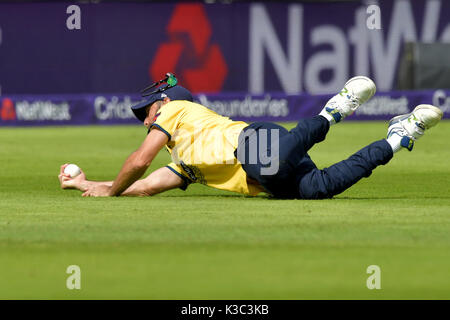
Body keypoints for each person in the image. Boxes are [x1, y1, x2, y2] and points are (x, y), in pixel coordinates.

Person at [58, 76, 443, 199]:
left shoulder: (176, 110)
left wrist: (107, 192)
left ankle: (335, 109)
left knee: (276, 159)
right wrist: (85, 184)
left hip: (256, 146)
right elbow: (141, 185)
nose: (144, 122)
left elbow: (140, 162)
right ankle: (400, 135)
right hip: (271, 178)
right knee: (326, 187)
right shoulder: (185, 164)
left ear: (162, 103)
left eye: (146, 113)